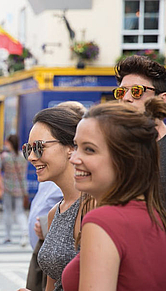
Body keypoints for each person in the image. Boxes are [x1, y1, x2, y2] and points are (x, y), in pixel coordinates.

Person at [62, 100, 166, 290]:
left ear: (125, 160)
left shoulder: (103, 220)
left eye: (89, 150)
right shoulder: (156, 216)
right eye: (76, 146)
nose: (74, 158)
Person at [18, 106, 91, 291]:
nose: (32, 157)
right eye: (28, 149)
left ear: (70, 147)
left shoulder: (93, 206)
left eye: (39, 147)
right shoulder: (54, 213)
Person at [114, 55, 166, 203]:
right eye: (121, 92)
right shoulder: (112, 148)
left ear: (162, 99)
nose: (126, 98)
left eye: (137, 91)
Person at [0, 134, 28, 246]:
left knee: (7, 211)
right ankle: (24, 231)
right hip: (20, 188)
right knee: (19, 211)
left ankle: (7, 236)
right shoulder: (23, 157)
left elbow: (1, 169)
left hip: (7, 187)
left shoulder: (5, 157)